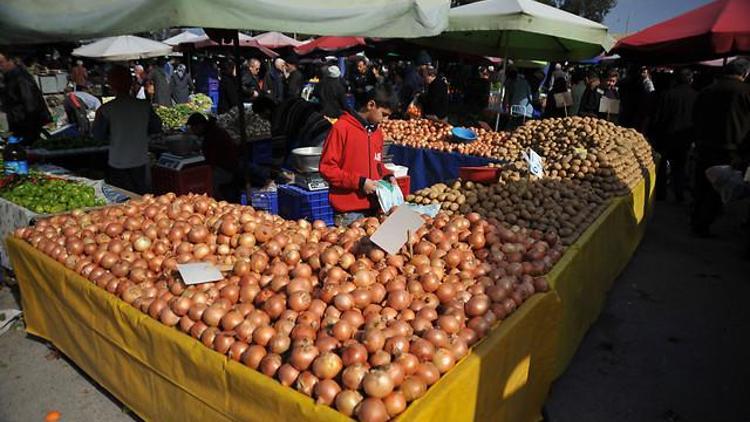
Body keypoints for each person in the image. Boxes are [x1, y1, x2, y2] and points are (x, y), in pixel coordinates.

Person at [319, 85, 398, 226]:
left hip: (375, 207)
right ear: (371, 105)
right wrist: (360, 183)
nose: (385, 120)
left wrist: (387, 175)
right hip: (349, 212)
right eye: (384, 114)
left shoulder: (377, 133)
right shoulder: (341, 128)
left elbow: (377, 164)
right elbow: (327, 169)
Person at [691, 58, 750, 237]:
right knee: (718, 188)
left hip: (704, 145)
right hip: (732, 149)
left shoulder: (707, 90)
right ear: (745, 73)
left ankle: (697, 220)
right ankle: (704, 222)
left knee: (702, 186)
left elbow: (696, 117)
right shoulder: (747, 92)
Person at [92, 66, 162, 194]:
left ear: (111, 85)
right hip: (140, 161)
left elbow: (97, 137)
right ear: (131, 83)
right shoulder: (144, 106)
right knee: (143, 201)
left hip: (117, 163)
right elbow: (157, 127)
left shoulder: (105, 110)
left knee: (122, 203)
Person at [652, 69, 698, 202]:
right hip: (685, 138)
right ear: (691, 80)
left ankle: (661, 193)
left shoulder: (667, 95)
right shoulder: (696, 96)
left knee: (662, 167)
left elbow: (659, 117)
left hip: (666, 136)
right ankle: (679, 194)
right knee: (680, 166)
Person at [187, 113, 243, 201]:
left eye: (193, 128)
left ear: (200, 126)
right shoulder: (212, 132)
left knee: (208, 181)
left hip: (227, 169)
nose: (193, 131)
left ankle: (217, 201)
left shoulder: (212, 135)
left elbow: (211, 162)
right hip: (227, 166)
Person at [0, 52, 52, 143]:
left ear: (11, 61)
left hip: (26, 125)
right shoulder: (9, 78)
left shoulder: (20, 78)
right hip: (19, 124)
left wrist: (27, 125)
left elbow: (30, 103)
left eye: (1, 62)